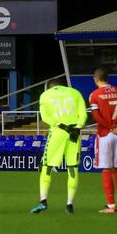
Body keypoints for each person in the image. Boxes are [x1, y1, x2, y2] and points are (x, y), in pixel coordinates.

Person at [30, 77, 87, 214]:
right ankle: (69, 205)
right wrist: (77, 128)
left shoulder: (45, 95)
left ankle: (43, 201)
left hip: (57, 133)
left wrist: (60, 125)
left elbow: (45, 117)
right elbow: (83, 115)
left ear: (51, 86)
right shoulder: (75, 93)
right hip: (74, 134)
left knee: (47, 166)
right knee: (72, 168)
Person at [89, 67, 117, 213]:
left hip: (105, 134)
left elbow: (96, 116)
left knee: (106, 169)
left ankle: (111, 206)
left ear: (95, 79)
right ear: (107, 78)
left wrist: (109, 127)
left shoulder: (95, 94)